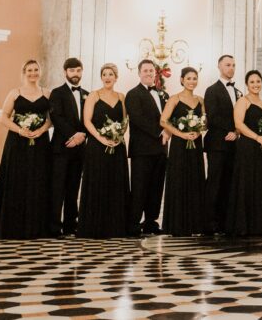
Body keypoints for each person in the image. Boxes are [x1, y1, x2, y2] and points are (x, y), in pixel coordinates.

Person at [0, 60, 52, 239]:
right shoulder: (15, 93)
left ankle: (38, 227)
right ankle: (12, 226)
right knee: (17, 180)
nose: (33, 73)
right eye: (30, 70)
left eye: (36, 70)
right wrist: (20, 130)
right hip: (17, 144)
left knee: (38, 181)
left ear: (40, 72)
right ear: (24, 72)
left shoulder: (47, 93)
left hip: (40, 144)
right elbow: (4, 117)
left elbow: (50, 119)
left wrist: (41, 129)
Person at [78, 63, 130, 239]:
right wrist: (101, 139)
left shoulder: (121, 97)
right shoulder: (94, 95)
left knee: (116, 183)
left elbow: (125, 121)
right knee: (97, 182)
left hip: (117, 146)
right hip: (97, 146)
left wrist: (118, 136)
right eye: (104, 74)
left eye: (111, 74)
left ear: (116, 77)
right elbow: (87, 121)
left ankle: (116, 226)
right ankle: (94, 226)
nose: (107, 77)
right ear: (101, 77)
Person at [225, 70, 262, 237]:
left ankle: (261, 225)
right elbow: (238, 124)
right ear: (247, 84)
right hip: (247, 147)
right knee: (247, 183)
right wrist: (257, 137)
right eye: (252, 82)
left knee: (261, 183)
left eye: (258, 81)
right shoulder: (243, 101)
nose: (255, 84)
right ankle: (243, 226)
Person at [160, 67, 207, 236]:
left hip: (195, 145)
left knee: (195, 180)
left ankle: (195, 224)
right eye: (189, 78)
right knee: (179, 181)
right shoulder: (174, 98)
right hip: (180, 146)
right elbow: (163, 121)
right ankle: (177, 225)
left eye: (195, 78)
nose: (192, 81)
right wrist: (182, 134)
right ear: (182, 80)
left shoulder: (201, 100)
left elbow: (205, 122)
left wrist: (198, 132)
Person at [125, 59, 168, 236]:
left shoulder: (163, 94)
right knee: (139, 186)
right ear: (139, 73)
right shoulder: (133, 94)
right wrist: (161, 131)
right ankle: (133, 223)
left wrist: (169, 130)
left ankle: (151, 221)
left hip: (161, 149)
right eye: (145, 70)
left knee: (156, 187)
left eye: (151, 71)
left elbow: (169, 117)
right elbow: (137, 118)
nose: (149, 73)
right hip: (142, 150)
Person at [49, 56, 87, 237]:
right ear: (65, 72)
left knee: (73, 189)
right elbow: (57, 117)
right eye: (72, 71)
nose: (75, 74)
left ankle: (71, 225)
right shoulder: (57, 93)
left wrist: (82, 136)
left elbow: (88, 120)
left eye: (78, 70)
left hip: (79, 149)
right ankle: (54, 227)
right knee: (58, 189)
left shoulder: (87, 94)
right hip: (61, 148)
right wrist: (73, 135)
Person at [203, 54, 240, 235]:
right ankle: (210, 222)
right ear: (219, 66)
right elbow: (213, 116)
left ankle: (226, 221)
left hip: (234, 145)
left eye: (233, 65)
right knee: (215, 183)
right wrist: (232, 130)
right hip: (218, 143)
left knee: (229, 183)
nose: (231, 68)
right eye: (227, 65)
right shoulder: (212, 90)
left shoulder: (238, 91)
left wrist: (237, 132)